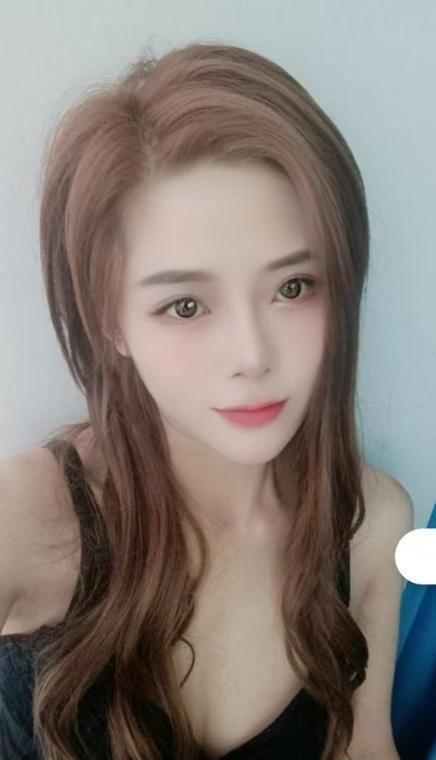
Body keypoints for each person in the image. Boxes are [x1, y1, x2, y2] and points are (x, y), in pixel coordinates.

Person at [0, 40, 413, 760]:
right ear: (110, 321)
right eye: (186, 305)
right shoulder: (26, 521)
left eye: (293, 287)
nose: (252, 356)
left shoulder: (370, 523)